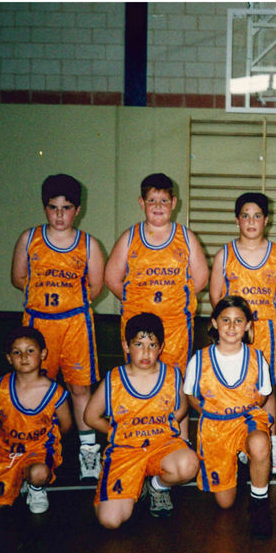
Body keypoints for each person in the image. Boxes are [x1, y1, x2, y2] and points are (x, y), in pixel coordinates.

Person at [10, 173, 105, 481]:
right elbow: (18, 278)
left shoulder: (88, 244)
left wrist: (67, 302)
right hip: (38, 324)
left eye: (66, 208)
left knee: (80, 388)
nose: (60, 215)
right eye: (53, 208)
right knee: (37, 388)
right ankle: (36, 449)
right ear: (44, 208)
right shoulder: (29, 239)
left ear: (78, 210)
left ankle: (88, 451)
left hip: (75, 324)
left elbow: (96, 286)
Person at [104, 173, 209, 440]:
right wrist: (135, 302)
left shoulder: (185, 237)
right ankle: (141, 435)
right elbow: (112, 278)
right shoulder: (130, 237)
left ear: (174, 202)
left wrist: (176, 301)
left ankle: (180, 439)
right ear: (142, 202)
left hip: (175, 326)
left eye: (163, 200)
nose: (158, 206)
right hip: (139, 325)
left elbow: (200, 279)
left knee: (176, 382)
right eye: (152, 200)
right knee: (140, 377)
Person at [84, 312, 199, 528]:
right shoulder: (114, 379)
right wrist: (115, 431)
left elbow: (182, 407)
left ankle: (157, 486)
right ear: (126, 346)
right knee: (110, 521)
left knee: (188, 464)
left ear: (161, 347)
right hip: (126, 450)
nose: (146, 352)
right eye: (138, 344)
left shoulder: (172, 376)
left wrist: (166, 425)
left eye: (152, 345)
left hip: (161, 445)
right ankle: (131, 482)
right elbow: (90, 416)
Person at [208, 192, 276, 475]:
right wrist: (231, 325)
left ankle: (271, 443)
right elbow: (216, 295)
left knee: (266, 387)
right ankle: (237, 441)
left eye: (257, 216)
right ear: (237, 220)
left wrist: (260, 319)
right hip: (232, 329)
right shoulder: (225, 254)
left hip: (264, 328)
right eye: (245, 216)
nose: (251, 221)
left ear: (266, 220)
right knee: (233, 384)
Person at [183, 296, 274, 538]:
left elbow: (263, 396)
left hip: (246, 420)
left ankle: (259, 502)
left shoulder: (257, 358)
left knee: (260, 442)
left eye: (238, 321)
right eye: (226, 320)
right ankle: (242, 464)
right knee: (225, 503)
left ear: (247, 325)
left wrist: (239, 411)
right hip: (215, 427)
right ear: (214, 323)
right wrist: (215, 413)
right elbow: (191, 396)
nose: (232, 327)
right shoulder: (199, 360)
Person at [0, 326, 72, 515]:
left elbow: (66, 425)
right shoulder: (0, 386)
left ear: (43, 354)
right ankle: (17, 477)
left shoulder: (54, 392)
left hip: (38, 449)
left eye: (30, 351)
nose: (24, 357)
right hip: (7, 449)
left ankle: (35, 488)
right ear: (9, 358)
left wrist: (45, 439)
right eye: (17, 352)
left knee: (39, 473)